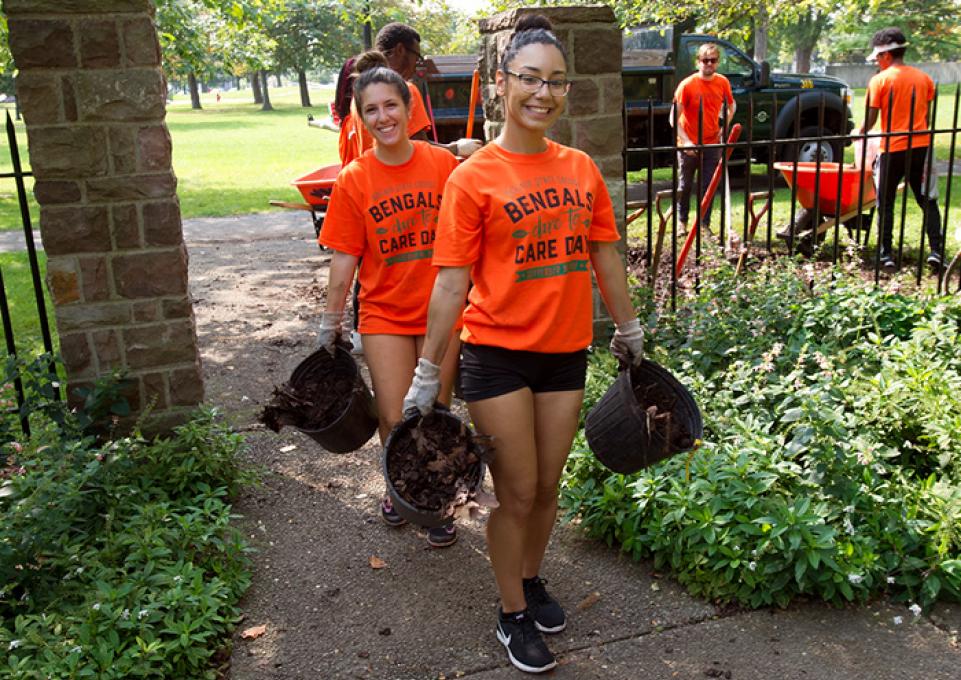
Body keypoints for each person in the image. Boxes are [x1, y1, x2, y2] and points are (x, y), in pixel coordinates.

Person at [402, 15, 645, 674]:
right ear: (502, 84)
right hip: (497, 354)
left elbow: (605, 257)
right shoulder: (472, 178)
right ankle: (511, 615)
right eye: (530, 79)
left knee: (547, 488)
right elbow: (451, 285)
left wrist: (628, 330)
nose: (544, 94)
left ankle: (530, 578)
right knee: (517, 491)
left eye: (556, 82)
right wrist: (426, 372)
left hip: (564, 352)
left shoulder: (581, 169)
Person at [317, 51, 463, 548]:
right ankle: (401, 487)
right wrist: (331, 321)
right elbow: (344, 261)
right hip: (383, 311)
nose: (383, 118)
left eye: (391, 105)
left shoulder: (443, 166)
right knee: (394, 415)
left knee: (436, 411)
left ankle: (436, 500)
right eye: (372, 110)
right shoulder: (355, 180)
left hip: (440, 310)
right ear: (360, 116)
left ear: (409, 106)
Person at [857, 27, 946, 272]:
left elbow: (871, 121)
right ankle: (936, 251)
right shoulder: (924, 79)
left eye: (877, 56)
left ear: (886, 55)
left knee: (885, 202)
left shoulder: (879, 80)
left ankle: (886, 255)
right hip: (921, 148)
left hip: (892, 149)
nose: (876, 61)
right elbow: (925, 116)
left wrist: (858, 134)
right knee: (927, 200)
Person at [337, 23, 481, 165]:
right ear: (400, 50)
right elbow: (418, 146)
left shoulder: (361, 95)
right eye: (417, 57)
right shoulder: (406, 90)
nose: (416, 65)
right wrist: (456, 148)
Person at [671, 42, 735, 236]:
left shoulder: (722, 82)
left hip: (711, 143)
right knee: (685, 185)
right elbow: (673, 117)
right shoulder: (687, 85)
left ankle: (704, 225)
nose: (709, 64)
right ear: (698, 62)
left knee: (708, 185)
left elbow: (732, 106)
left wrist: (724, 127)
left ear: (717, 62)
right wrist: (686, 141)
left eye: (713, 60)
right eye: (705, 60)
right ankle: (681, 223)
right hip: (688, 143)